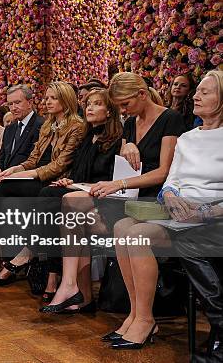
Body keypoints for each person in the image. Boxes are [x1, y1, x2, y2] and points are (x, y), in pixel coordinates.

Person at [96, 72, 185, 350]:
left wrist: (118, 183)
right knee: (121, 228)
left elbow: (163, 172)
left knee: (128, 231)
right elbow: (126, 150)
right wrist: (128, 143)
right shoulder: (131, 122)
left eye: (125, 105)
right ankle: (136, 314)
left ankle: (145, 318)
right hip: (136, 199)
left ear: (142, 95)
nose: (122, 111)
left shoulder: (170, 119)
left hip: (162, 197)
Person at [0, 82, 85, 294]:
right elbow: (34, 158)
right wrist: (14, 170)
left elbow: (60, 165)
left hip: (59, 179)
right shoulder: (48, 124)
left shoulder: (77, 125)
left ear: (66, 100)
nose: (47, 102)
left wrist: (25, 174)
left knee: (43, 196)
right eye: (47, 97)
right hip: (41, 178)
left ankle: (27, 253)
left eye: (53, 98)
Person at [37, 88, 123, 313]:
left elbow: (110, 178)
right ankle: (78, 293)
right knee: (50, 195)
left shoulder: (118, 139)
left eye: (97, 104)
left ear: (110, 110)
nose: (90, 107)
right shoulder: (87, 136)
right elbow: (81, 174)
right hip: (82, 192)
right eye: (88, 103)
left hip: (106, 196)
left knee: (59, 203)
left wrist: (76, 186)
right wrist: (69, 181)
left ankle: (63, 281)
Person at [168, 70, 223, 361]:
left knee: (189, 240)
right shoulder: (187, 138)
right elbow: (171, 180)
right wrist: (171, 197)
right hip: (185, 214)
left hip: (216, 214)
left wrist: (205, 212)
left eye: (206, 91)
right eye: (197, 90)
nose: (196, 95)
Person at [0, 84, 44, 198]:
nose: (13, 108)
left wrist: (10, 173)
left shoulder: (41, 125)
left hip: (26, 179)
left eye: (17, 102)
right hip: (4, 177)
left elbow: (35, 161)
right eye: (10, 104)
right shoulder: (10, 128)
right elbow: (1, 158)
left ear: (30, 102)